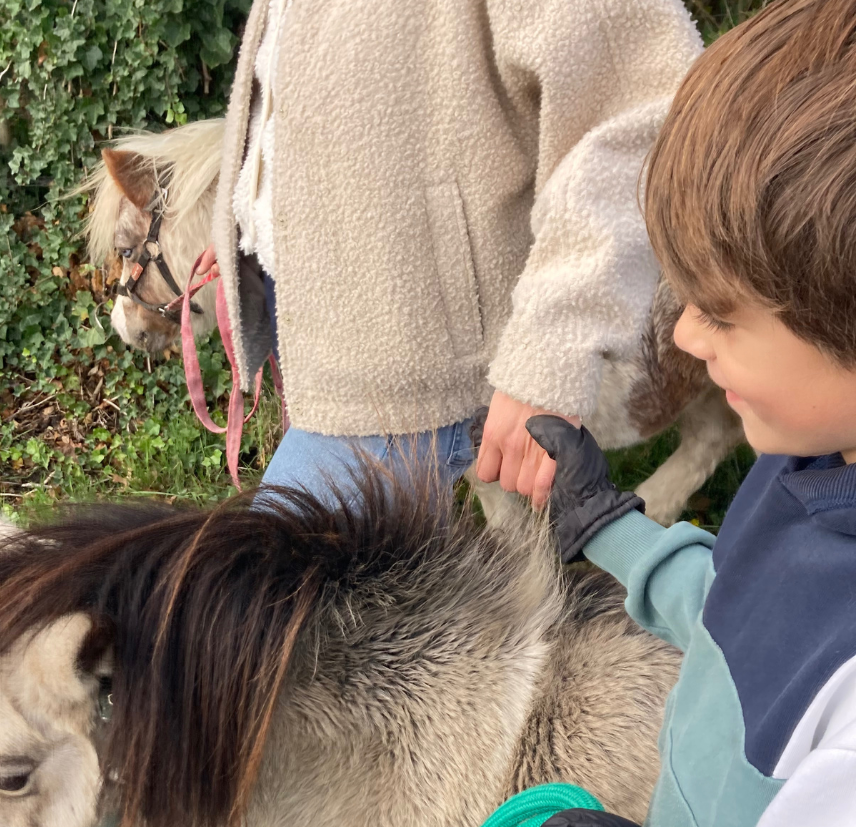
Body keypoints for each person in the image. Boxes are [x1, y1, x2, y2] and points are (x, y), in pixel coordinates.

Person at [515, 3, 856, 827]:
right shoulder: (815, 467)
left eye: (721, 308)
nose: (684, 335)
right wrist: (613, 537)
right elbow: (753, 614)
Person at [196, 0, 702, 507]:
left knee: (276, 577)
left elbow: (641, 97)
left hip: (406, 345)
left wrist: (553, 345)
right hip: (316, 317)